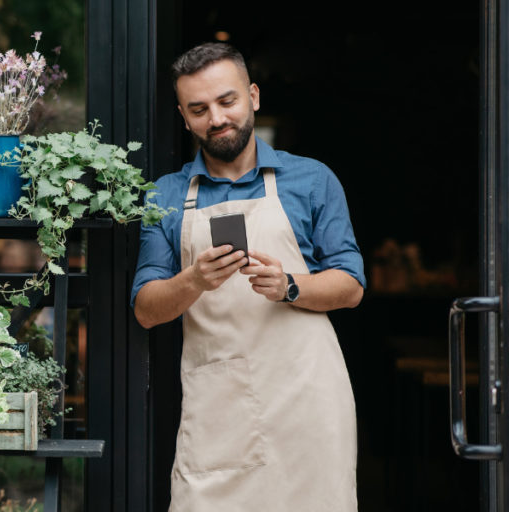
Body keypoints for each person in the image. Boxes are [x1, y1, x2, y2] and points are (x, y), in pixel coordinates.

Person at [132, 42, 365, 511]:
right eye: (199, 109)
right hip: (221, 407)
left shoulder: (312, 180)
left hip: (309, 405)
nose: (216, 118)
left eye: (227, 101)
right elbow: (145, 309)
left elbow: (351, 285)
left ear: (253, 96)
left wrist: (289, 286)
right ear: (184, 116)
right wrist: (193, 280)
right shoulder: (167, 195)